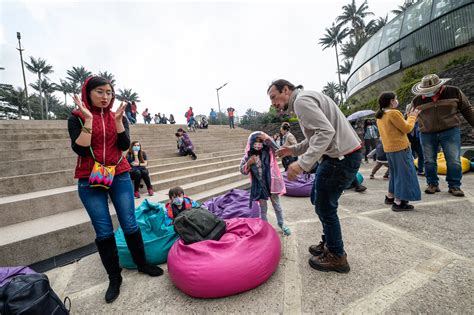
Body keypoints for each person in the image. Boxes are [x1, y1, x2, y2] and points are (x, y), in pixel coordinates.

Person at [68, 76, 163, 304]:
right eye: (100, 92)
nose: (105, 96)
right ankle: (114, 278)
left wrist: (119, 121)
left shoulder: (117, 116)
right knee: (103, 231)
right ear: (88, 93)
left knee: (129, 222)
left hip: (118, 174)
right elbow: (79, 149)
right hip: (89, 178)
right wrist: (89, 120)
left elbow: (123, 145)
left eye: (109, 92)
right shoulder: (77, 117)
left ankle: (142, 264)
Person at [268, 79, 362, 273]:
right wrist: (292, 150)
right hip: (338, 157)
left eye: (274, 97)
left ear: (286, 90)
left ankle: (337, 255)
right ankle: (329, 243)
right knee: (318, 200)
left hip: (340, 159)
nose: (273, 103)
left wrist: (302, 164)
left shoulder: (301, 102)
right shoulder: (303, 99)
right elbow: (314, 138)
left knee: (325, 207)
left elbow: (326, 132)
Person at [411, 74, 474, 197]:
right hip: (427, 133)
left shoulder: (454, 92)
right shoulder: (417, 100)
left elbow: (467, 109)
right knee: (429, 161)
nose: (428, 93)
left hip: (450, 130)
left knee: (453, 160)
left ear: (440, 86)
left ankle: (454, 185)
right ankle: (432, 184)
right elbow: (410, 117)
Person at [376, 91, 421, 211]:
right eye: (395, 99)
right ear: (391, 101)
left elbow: (395, 129)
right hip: (400, 148)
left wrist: (406, 117)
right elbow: (407, 128)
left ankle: (390, 196)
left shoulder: (381, 115)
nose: (397, 101)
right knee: (404, 175)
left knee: (395, 173)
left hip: (389, 149)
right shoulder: (394, 113)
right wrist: (413, 117)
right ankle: (399, 202)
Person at [239, 131, 291, 236]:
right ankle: (265, 227)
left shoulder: (269, 152)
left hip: (271, 183)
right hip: (259, 186)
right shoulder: (247, 156)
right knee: (263, 208)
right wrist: (248, 164)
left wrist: (268, 138)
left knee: (277, 205)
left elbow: (278, 150)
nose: (258, 144)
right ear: (251, 143)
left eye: (260, 141)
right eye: (255, 142)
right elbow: (242, 171)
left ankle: (281, 224)